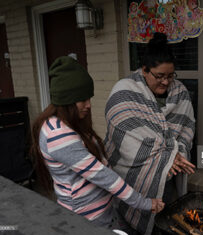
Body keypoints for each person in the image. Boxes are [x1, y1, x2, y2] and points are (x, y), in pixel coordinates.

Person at [30, 56, 165, 231]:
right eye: (82, 100)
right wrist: (145, 203)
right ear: (67, 100)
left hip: (103, 212)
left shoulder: (68, 123)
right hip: (86, 220)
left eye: (89, 98)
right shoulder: (58, 135)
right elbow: (102, 175)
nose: (89, 105)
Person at [104, 32, 196, 235]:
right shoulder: (124, 90)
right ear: (144, 70)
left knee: (163, 222)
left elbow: (186, 130)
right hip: (131, 180)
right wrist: (167, 157)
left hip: (167, 178)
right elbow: (124, 132)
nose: (166, 82)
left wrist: (175, 154)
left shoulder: (180, 92)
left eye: (170, 76)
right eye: (160, 76)